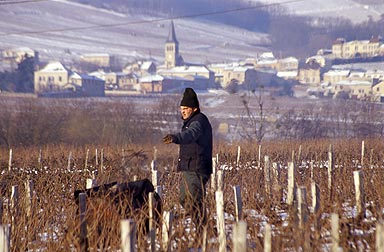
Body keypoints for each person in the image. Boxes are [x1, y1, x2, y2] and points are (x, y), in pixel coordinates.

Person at [163, 87, 212, 232]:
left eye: (186, 108)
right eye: (181, 108)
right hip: (189, 168)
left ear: (194, 108)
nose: (182, 111)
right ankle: (204, 228)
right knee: (185, 199)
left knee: (194, 200)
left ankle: (204, 231)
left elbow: (191, 134)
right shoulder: (191, 121)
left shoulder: (198, 121)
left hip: (197, 168)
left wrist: (176, 137)